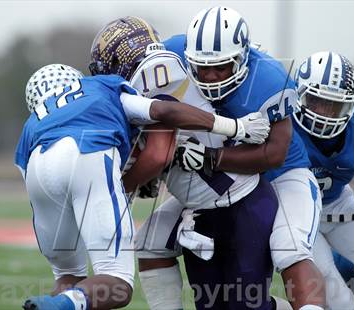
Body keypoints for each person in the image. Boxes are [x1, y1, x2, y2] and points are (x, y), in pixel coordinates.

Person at [16, 51, 268, 310]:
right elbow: (163, 110)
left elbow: (37, 185)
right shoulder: (98, 86)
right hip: (87, 153)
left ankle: (60, 302)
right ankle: (60, 305)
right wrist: (235, 127)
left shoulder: (32, 123)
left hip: (37, 167)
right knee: (117, 283)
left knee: (68, 276)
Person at [88, 16, 283, 309]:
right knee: (208, 298)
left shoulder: (153, 74)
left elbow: (158, 153)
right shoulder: (161, 70)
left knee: (246, 305)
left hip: (240, 203)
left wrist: (119, 189)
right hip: (205, 208)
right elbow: (167, 146)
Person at [142, 7, 326, 310]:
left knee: (289, 247)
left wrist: (210, 157)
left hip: (280, 176)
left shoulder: (268, 79)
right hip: (220, 183)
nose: (211, 76)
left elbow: (275, 154)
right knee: (151, 241)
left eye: (221, 67)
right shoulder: (172, 54)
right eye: (202, 68)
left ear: (242, 58)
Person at [293, 51, 354, 309]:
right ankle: (344, 265)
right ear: (298, 96)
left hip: (337, 205)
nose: (323, 113)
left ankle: (348, 263)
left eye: (333, 105)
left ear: (351, 106)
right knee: (337, 301)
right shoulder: (281, 121)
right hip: (293, 216)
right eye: (315, 101)